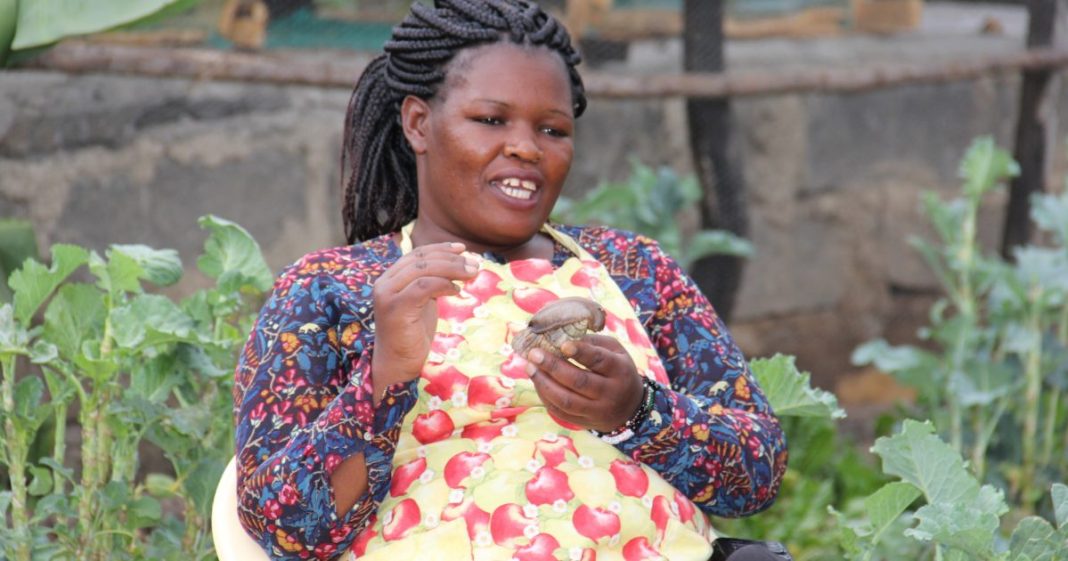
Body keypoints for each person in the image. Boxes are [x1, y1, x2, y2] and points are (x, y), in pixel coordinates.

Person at [232, 2, 787, 560]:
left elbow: (757, 472)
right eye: (491, 120)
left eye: (552, 128)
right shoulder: (330, 289)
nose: (527, 146)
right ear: (418, 123)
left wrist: (636, 412)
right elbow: (285, 530)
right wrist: (384, 378)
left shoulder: (634, 269)